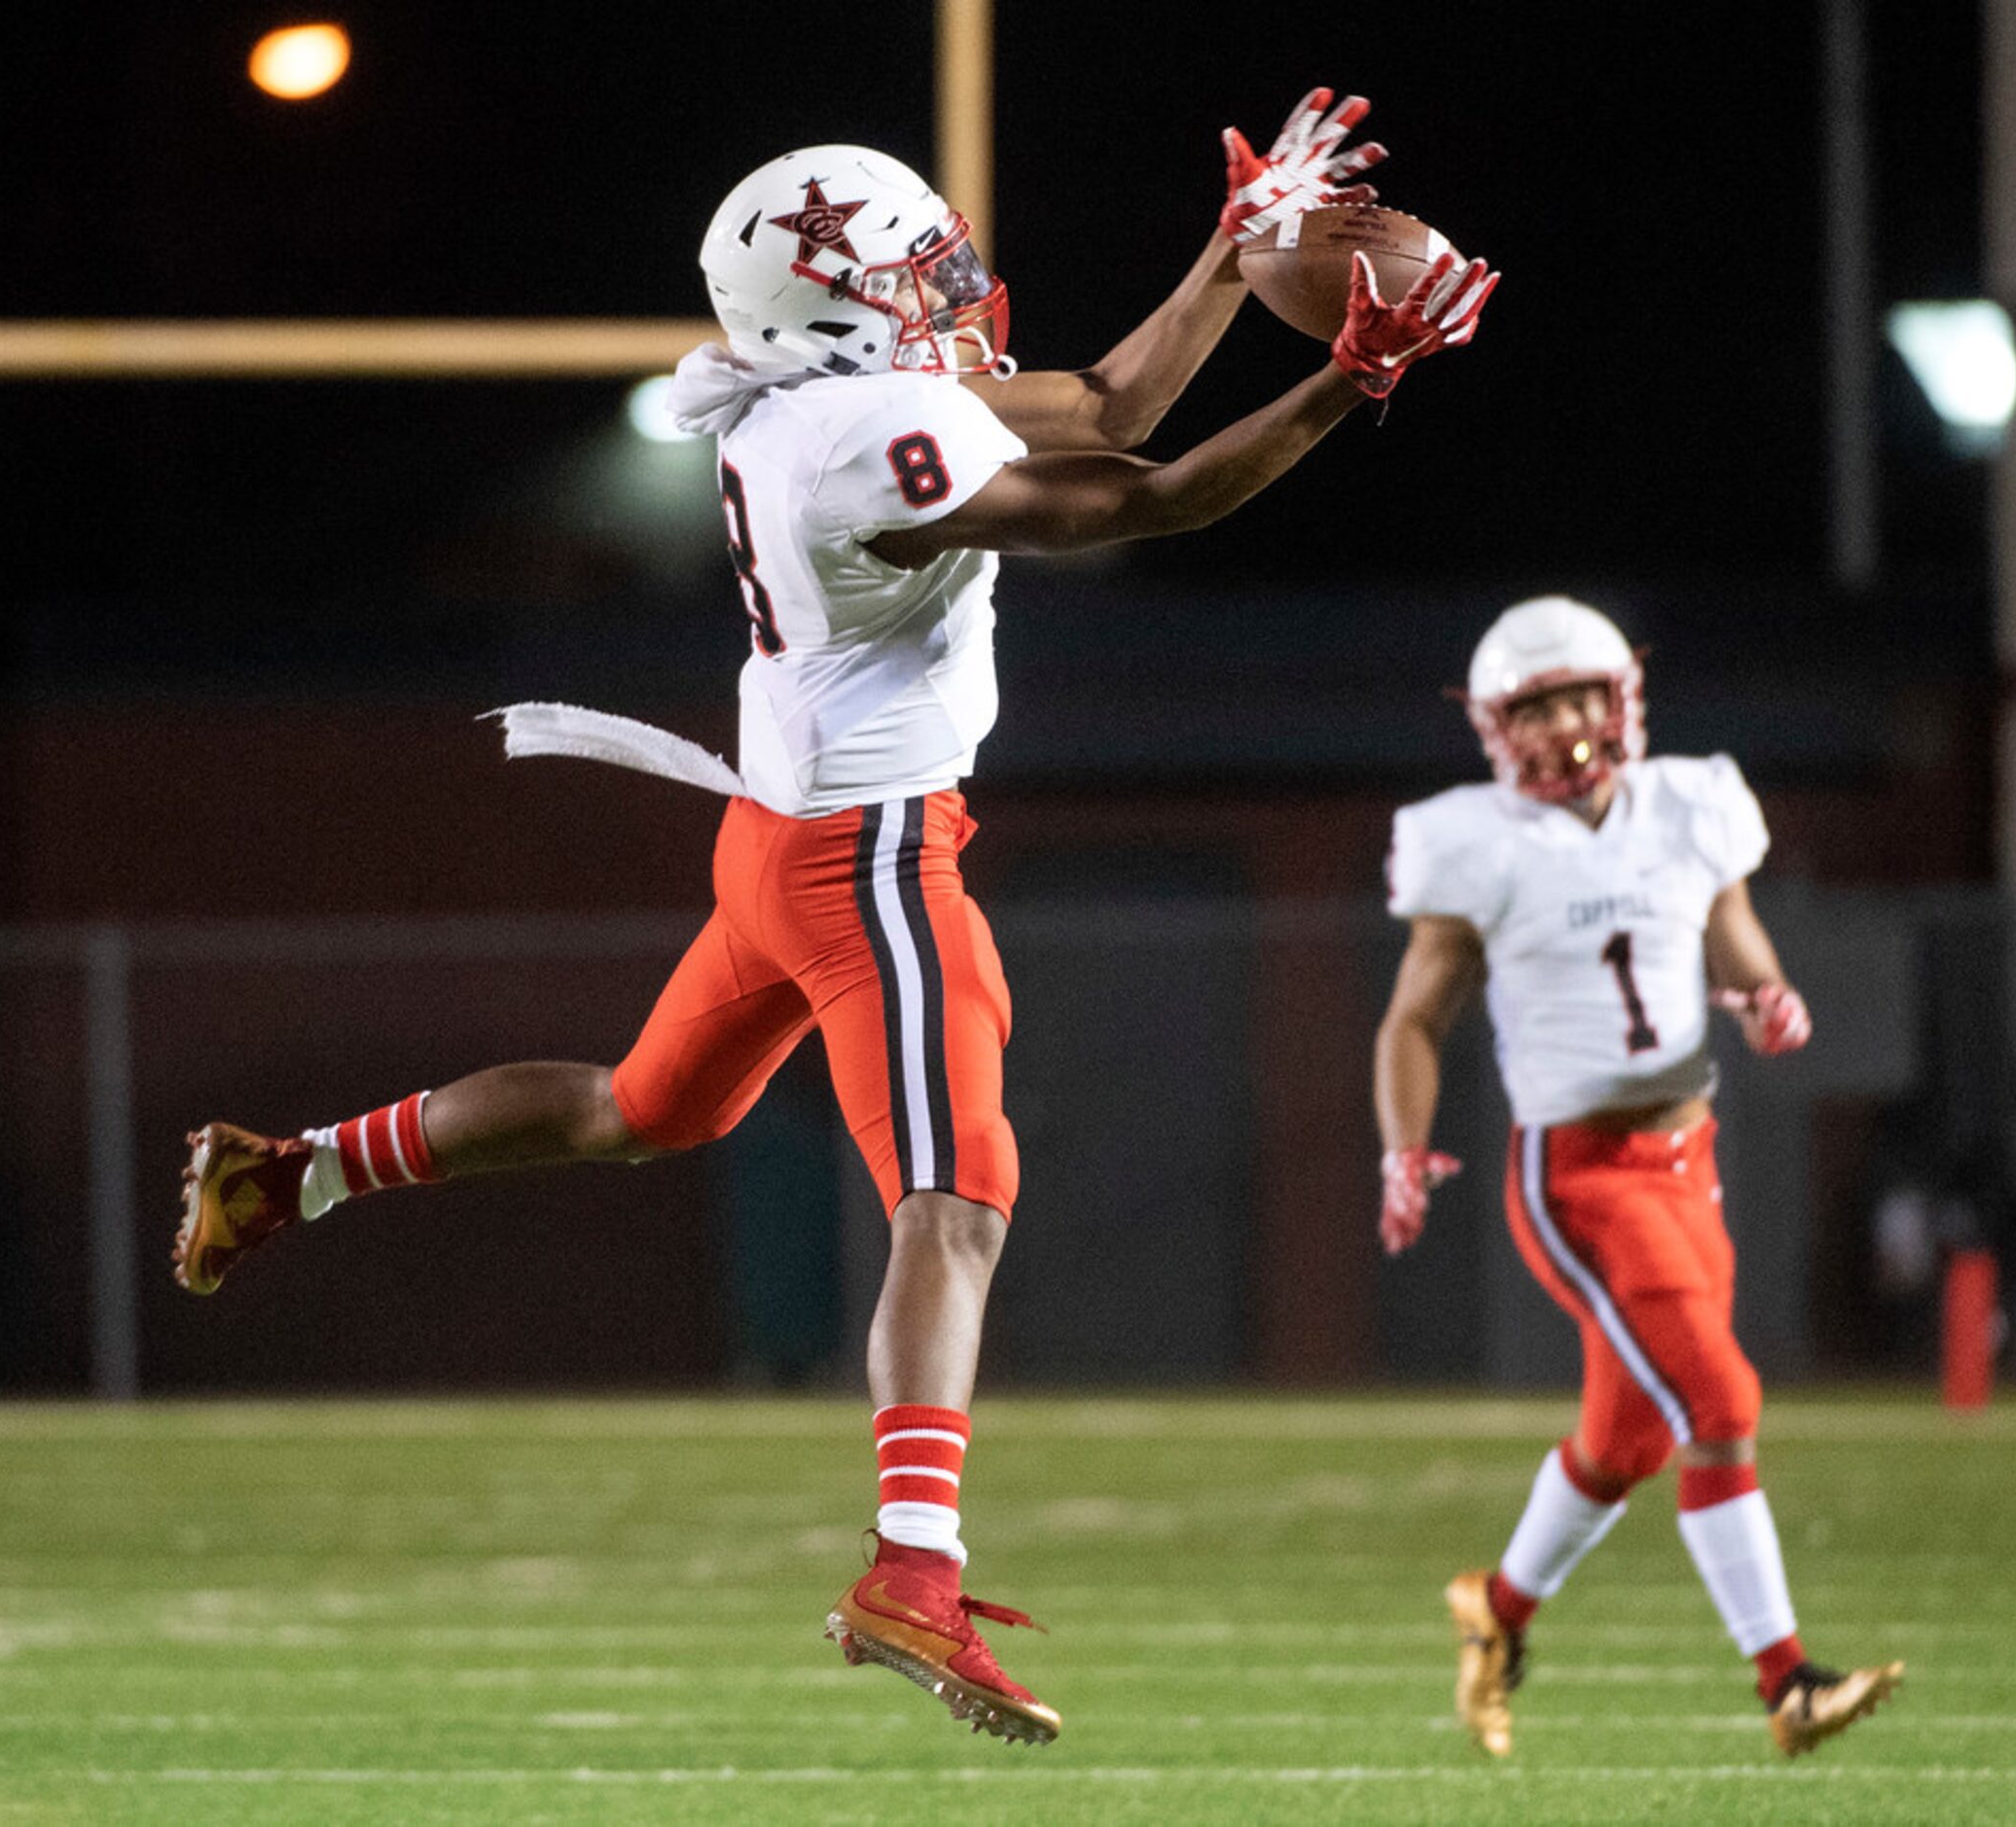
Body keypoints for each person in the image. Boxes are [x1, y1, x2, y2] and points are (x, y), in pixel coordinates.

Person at [174, 93, 1499, 1747]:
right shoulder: (860, 435)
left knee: (634, 1106)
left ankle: (289, 1164)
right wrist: (1349, 380)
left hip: (779, 837)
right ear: (840, 302)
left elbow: (1098, 399)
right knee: (955, 1194)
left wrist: (1234, 256)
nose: (948, 289)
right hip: (867, 859)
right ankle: (912, 1568)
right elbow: (1135, 496)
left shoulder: (822, 397)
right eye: (916, 267)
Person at [1372, 594, 1903, 1760]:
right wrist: (1402, 1146)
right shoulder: (1478, 840)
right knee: (1719, 1403)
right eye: (1539, 704)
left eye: (1578, 697)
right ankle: (1786, 1683)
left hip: (1688, 1157)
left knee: (1629, 1443)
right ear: (1497, 726)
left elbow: (1731, 927)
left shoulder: (1689, 804)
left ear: (1622, 702)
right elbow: (1412, 1020)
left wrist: (1763, 992)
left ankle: (1495, 1614)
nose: (1563, 724)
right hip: (1580, 1176)